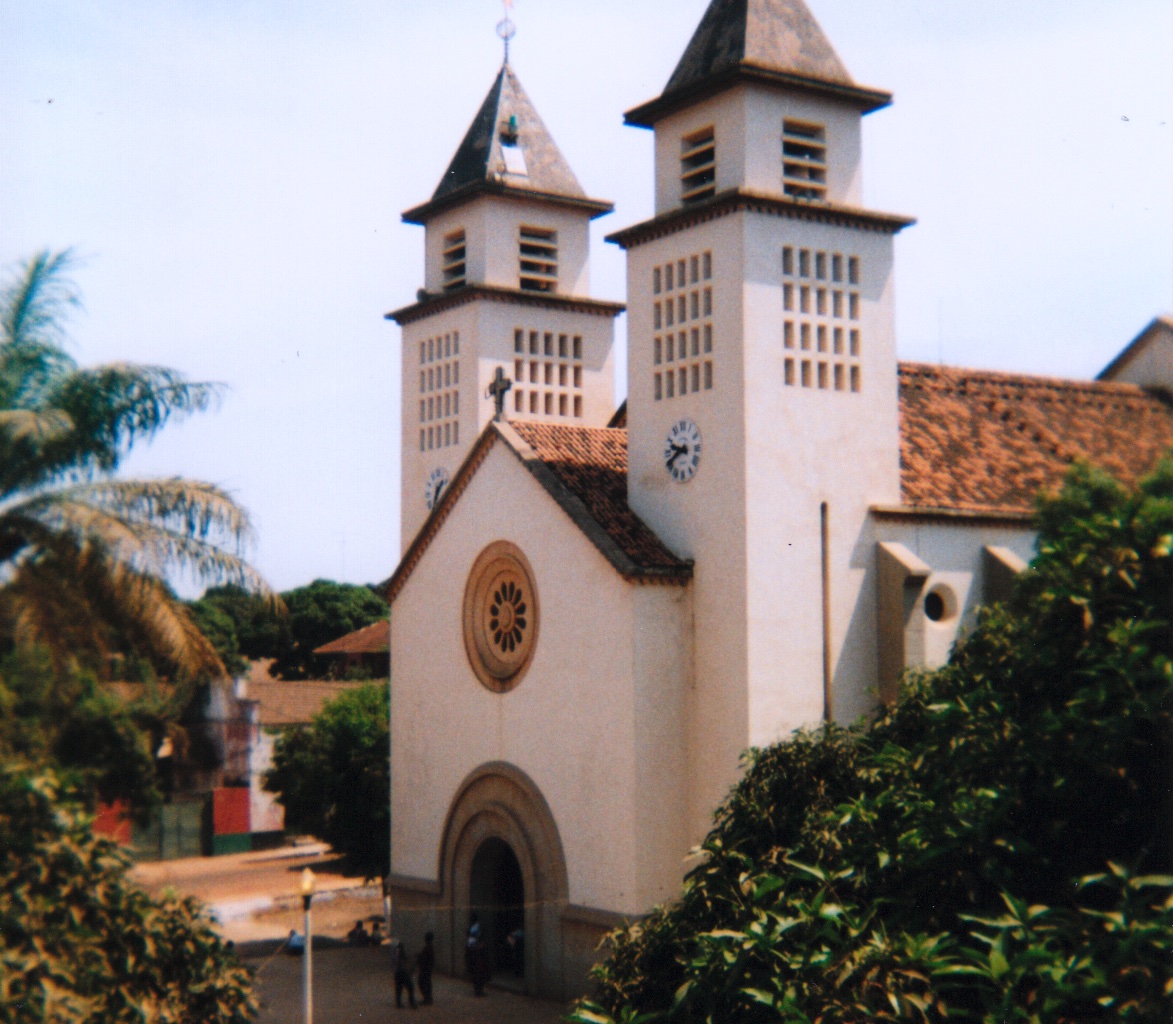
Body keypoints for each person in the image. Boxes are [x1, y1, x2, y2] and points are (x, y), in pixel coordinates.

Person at [391, 940, 417, 1009]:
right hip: (401, 972)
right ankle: (411, 1002)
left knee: (399, 988)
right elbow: (400, 962)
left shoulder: (395, 952)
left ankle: (399, 1003)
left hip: (397, 972)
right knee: (410, 987)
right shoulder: (398, 952)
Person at [416, 932, 435, 1006]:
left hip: (425, 969)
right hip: (427, 969)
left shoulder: (428, 947)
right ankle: (428, 998)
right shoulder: (429, 947)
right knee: (426, 983)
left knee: (423, 983)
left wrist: (420, 957)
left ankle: (427, 998)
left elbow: (426, 958)